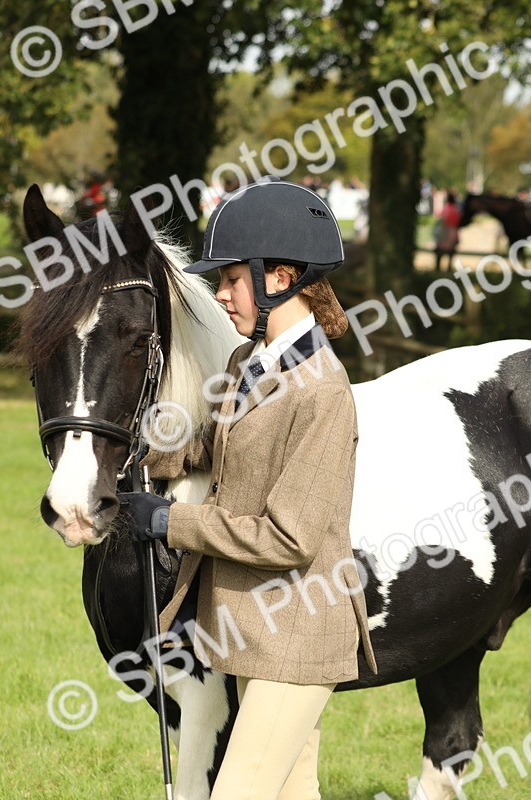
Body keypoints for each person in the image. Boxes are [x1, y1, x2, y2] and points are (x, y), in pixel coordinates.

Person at [121, 177, 377, 800]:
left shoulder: (324, 393)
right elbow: (219, 447)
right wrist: (143, 458)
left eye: (232, 278)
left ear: (280, 278)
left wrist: (170, 522)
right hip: (251, 630)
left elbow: (289, 538)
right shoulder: (247, 363)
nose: (220, 293)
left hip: (297, 633)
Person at [434, 190, 461, 271]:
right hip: (452, 232)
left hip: (444, 232)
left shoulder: (445, 209)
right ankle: (448, 267)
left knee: (440, 251)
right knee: (451, 251)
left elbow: (440, 218)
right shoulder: (455, 210)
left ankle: (438, 267)